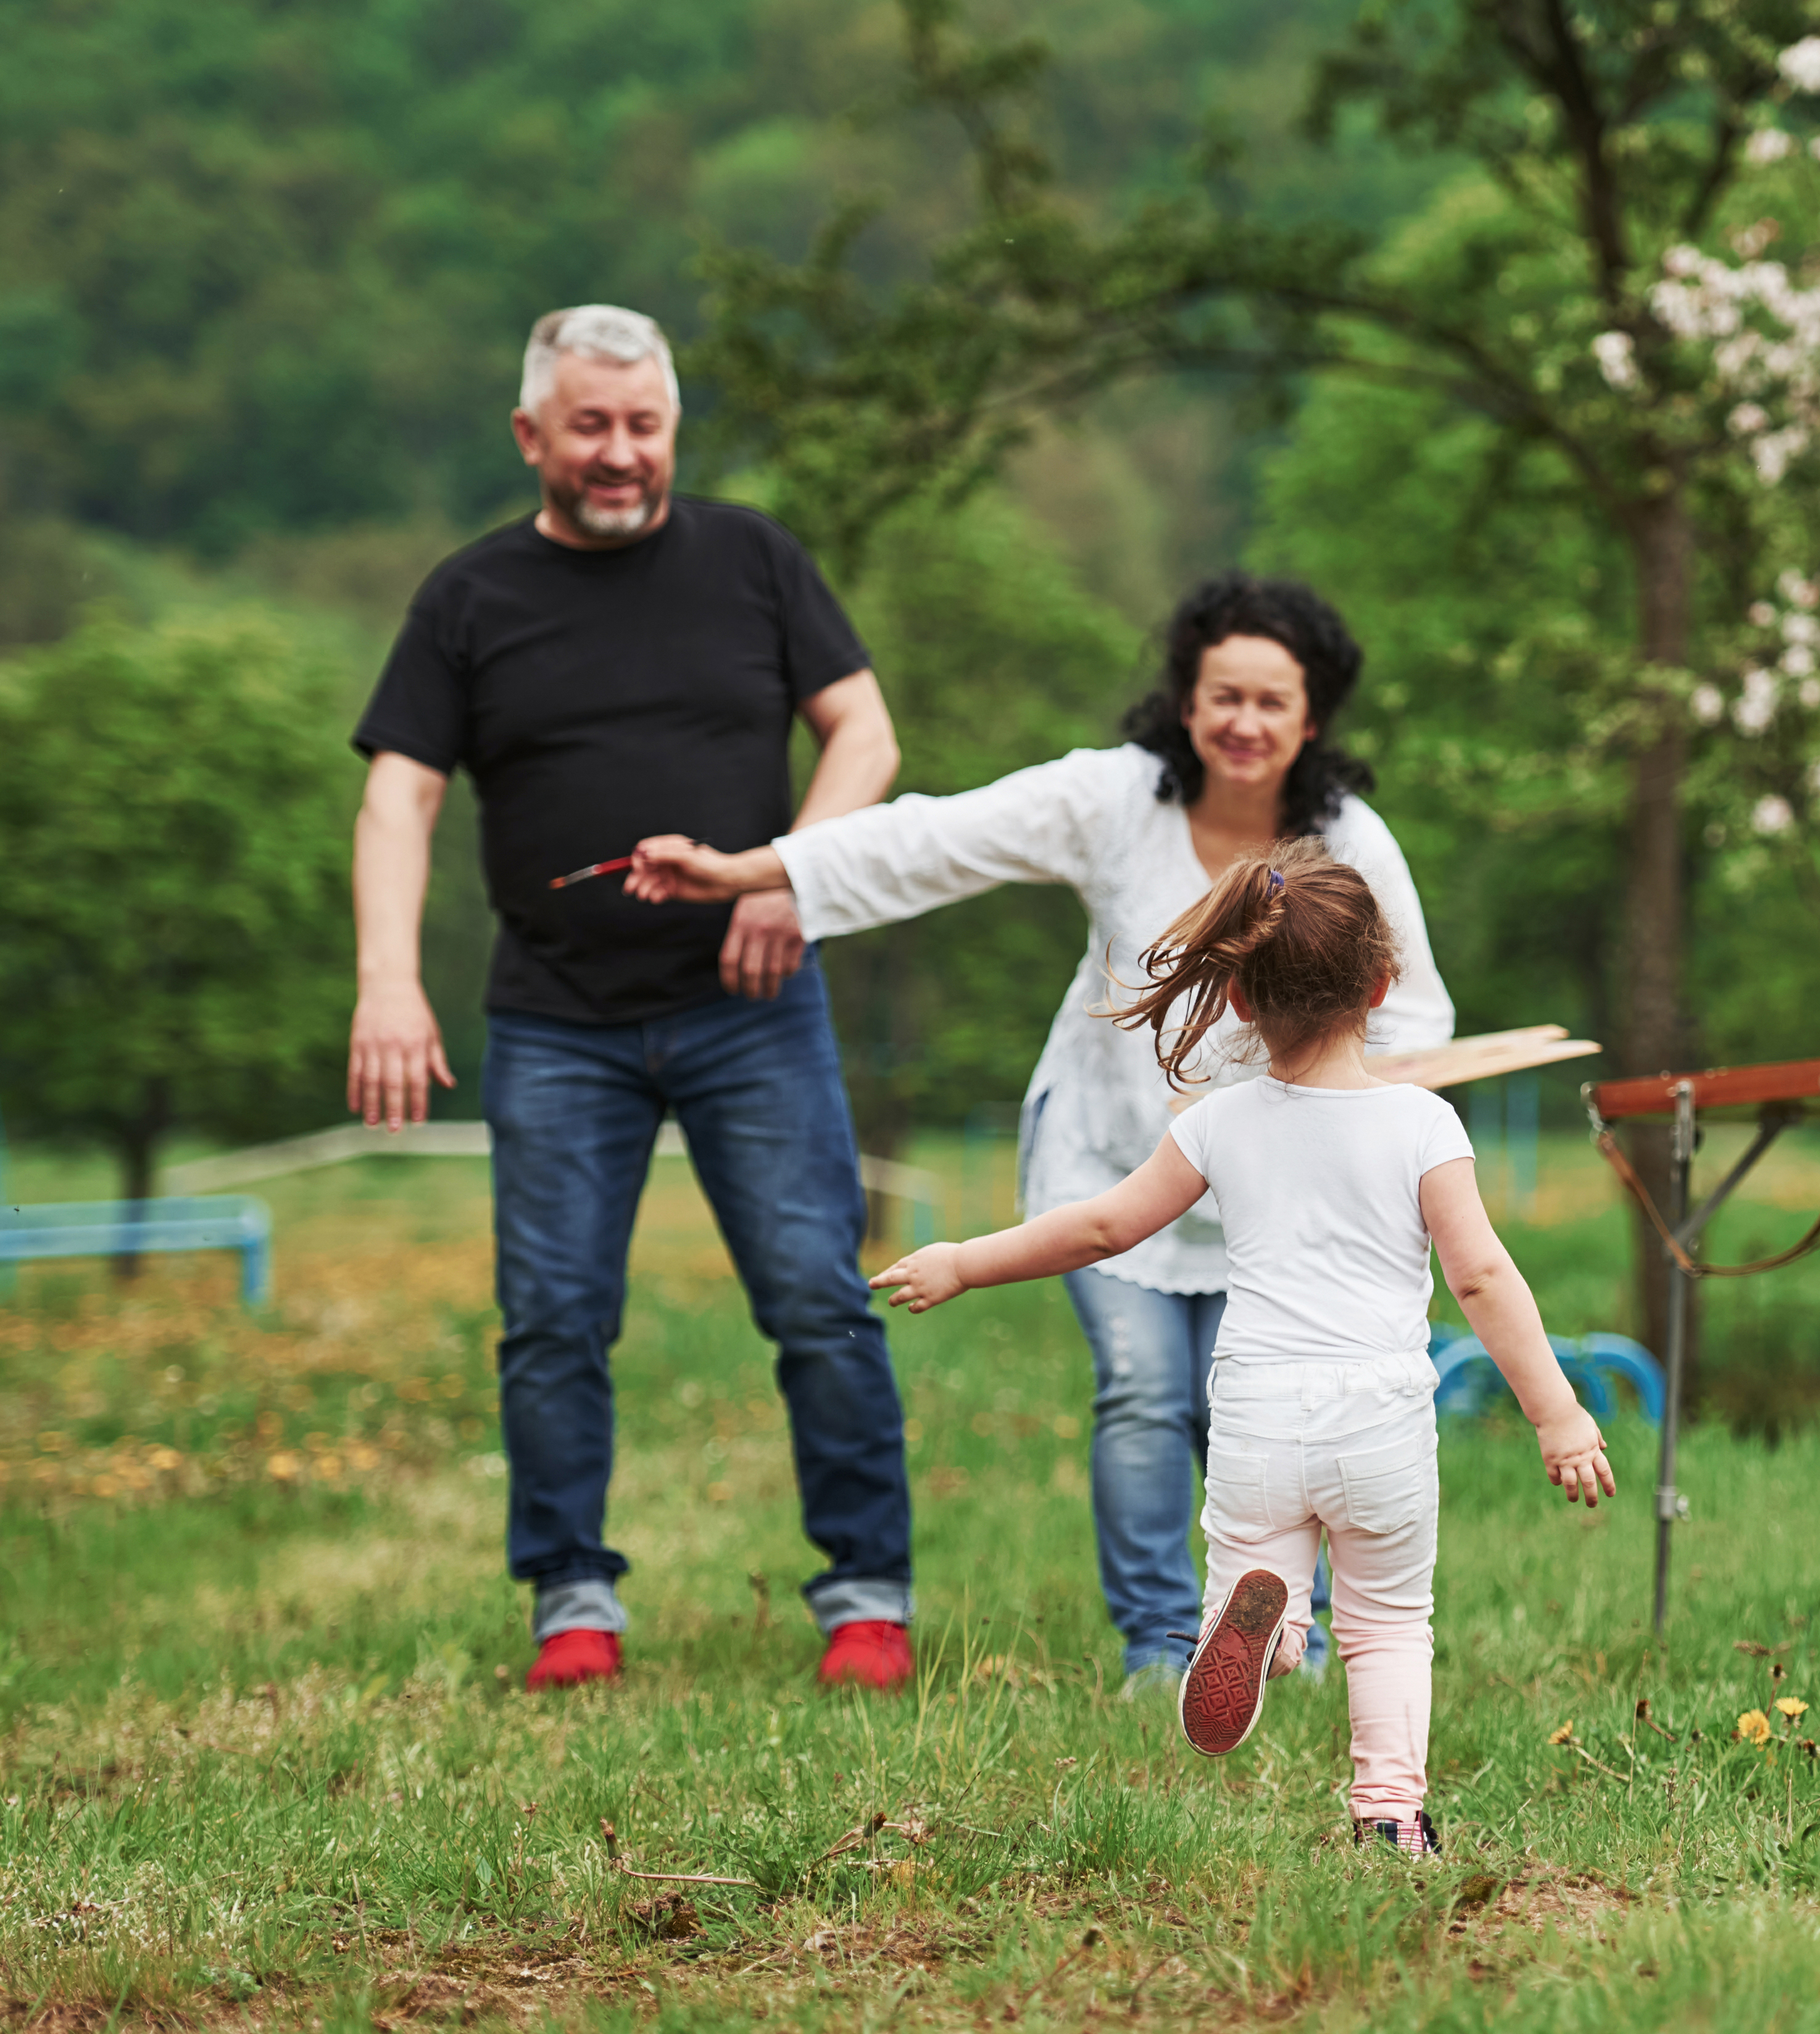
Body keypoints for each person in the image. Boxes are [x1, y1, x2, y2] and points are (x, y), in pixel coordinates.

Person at [625, 574, 1452, 1686]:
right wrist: (749, 871)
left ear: (1311, 718)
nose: (1244, 723)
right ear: (1186, 700)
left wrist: (1352, 1113)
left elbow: (1414, 1010)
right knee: (1142, 1393)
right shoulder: (1113, 801)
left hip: (1277, 1185)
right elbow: (931, 840)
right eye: (1222, 696)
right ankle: (1162, 1643)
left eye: (1271, 701)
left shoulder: (1346, 838)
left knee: (1268, 1403)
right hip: (1110, 1161)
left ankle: (1278, 1633)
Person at [347, 304, 917, 1693]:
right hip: (553, 1016)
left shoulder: (755, 561)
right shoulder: (467, 600)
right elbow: (398, 793)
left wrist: (792, 876)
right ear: (533, 433)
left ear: (673, 428)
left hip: (754, 1000)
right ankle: (571, 1601)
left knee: (812, 1292)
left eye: (643, 425)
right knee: (552, 1316)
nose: (619, 454)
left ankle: (866, 1595)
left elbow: (866, 730)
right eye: (590, 427)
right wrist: (386, 981)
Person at [866, 841, 1613, 1855]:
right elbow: (1481, 1278)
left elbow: (1100, 1229)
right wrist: (1556, 1413)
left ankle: (1259, 1634)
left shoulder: (1217, 1124)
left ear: (1242, 1003)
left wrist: (963, 1258)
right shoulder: (1423, 1124)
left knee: (1253, 1563)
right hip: (1382, 1418)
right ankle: (1389, 1816)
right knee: (1389, 1624)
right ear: (1382, 988)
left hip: (1258, 1408)